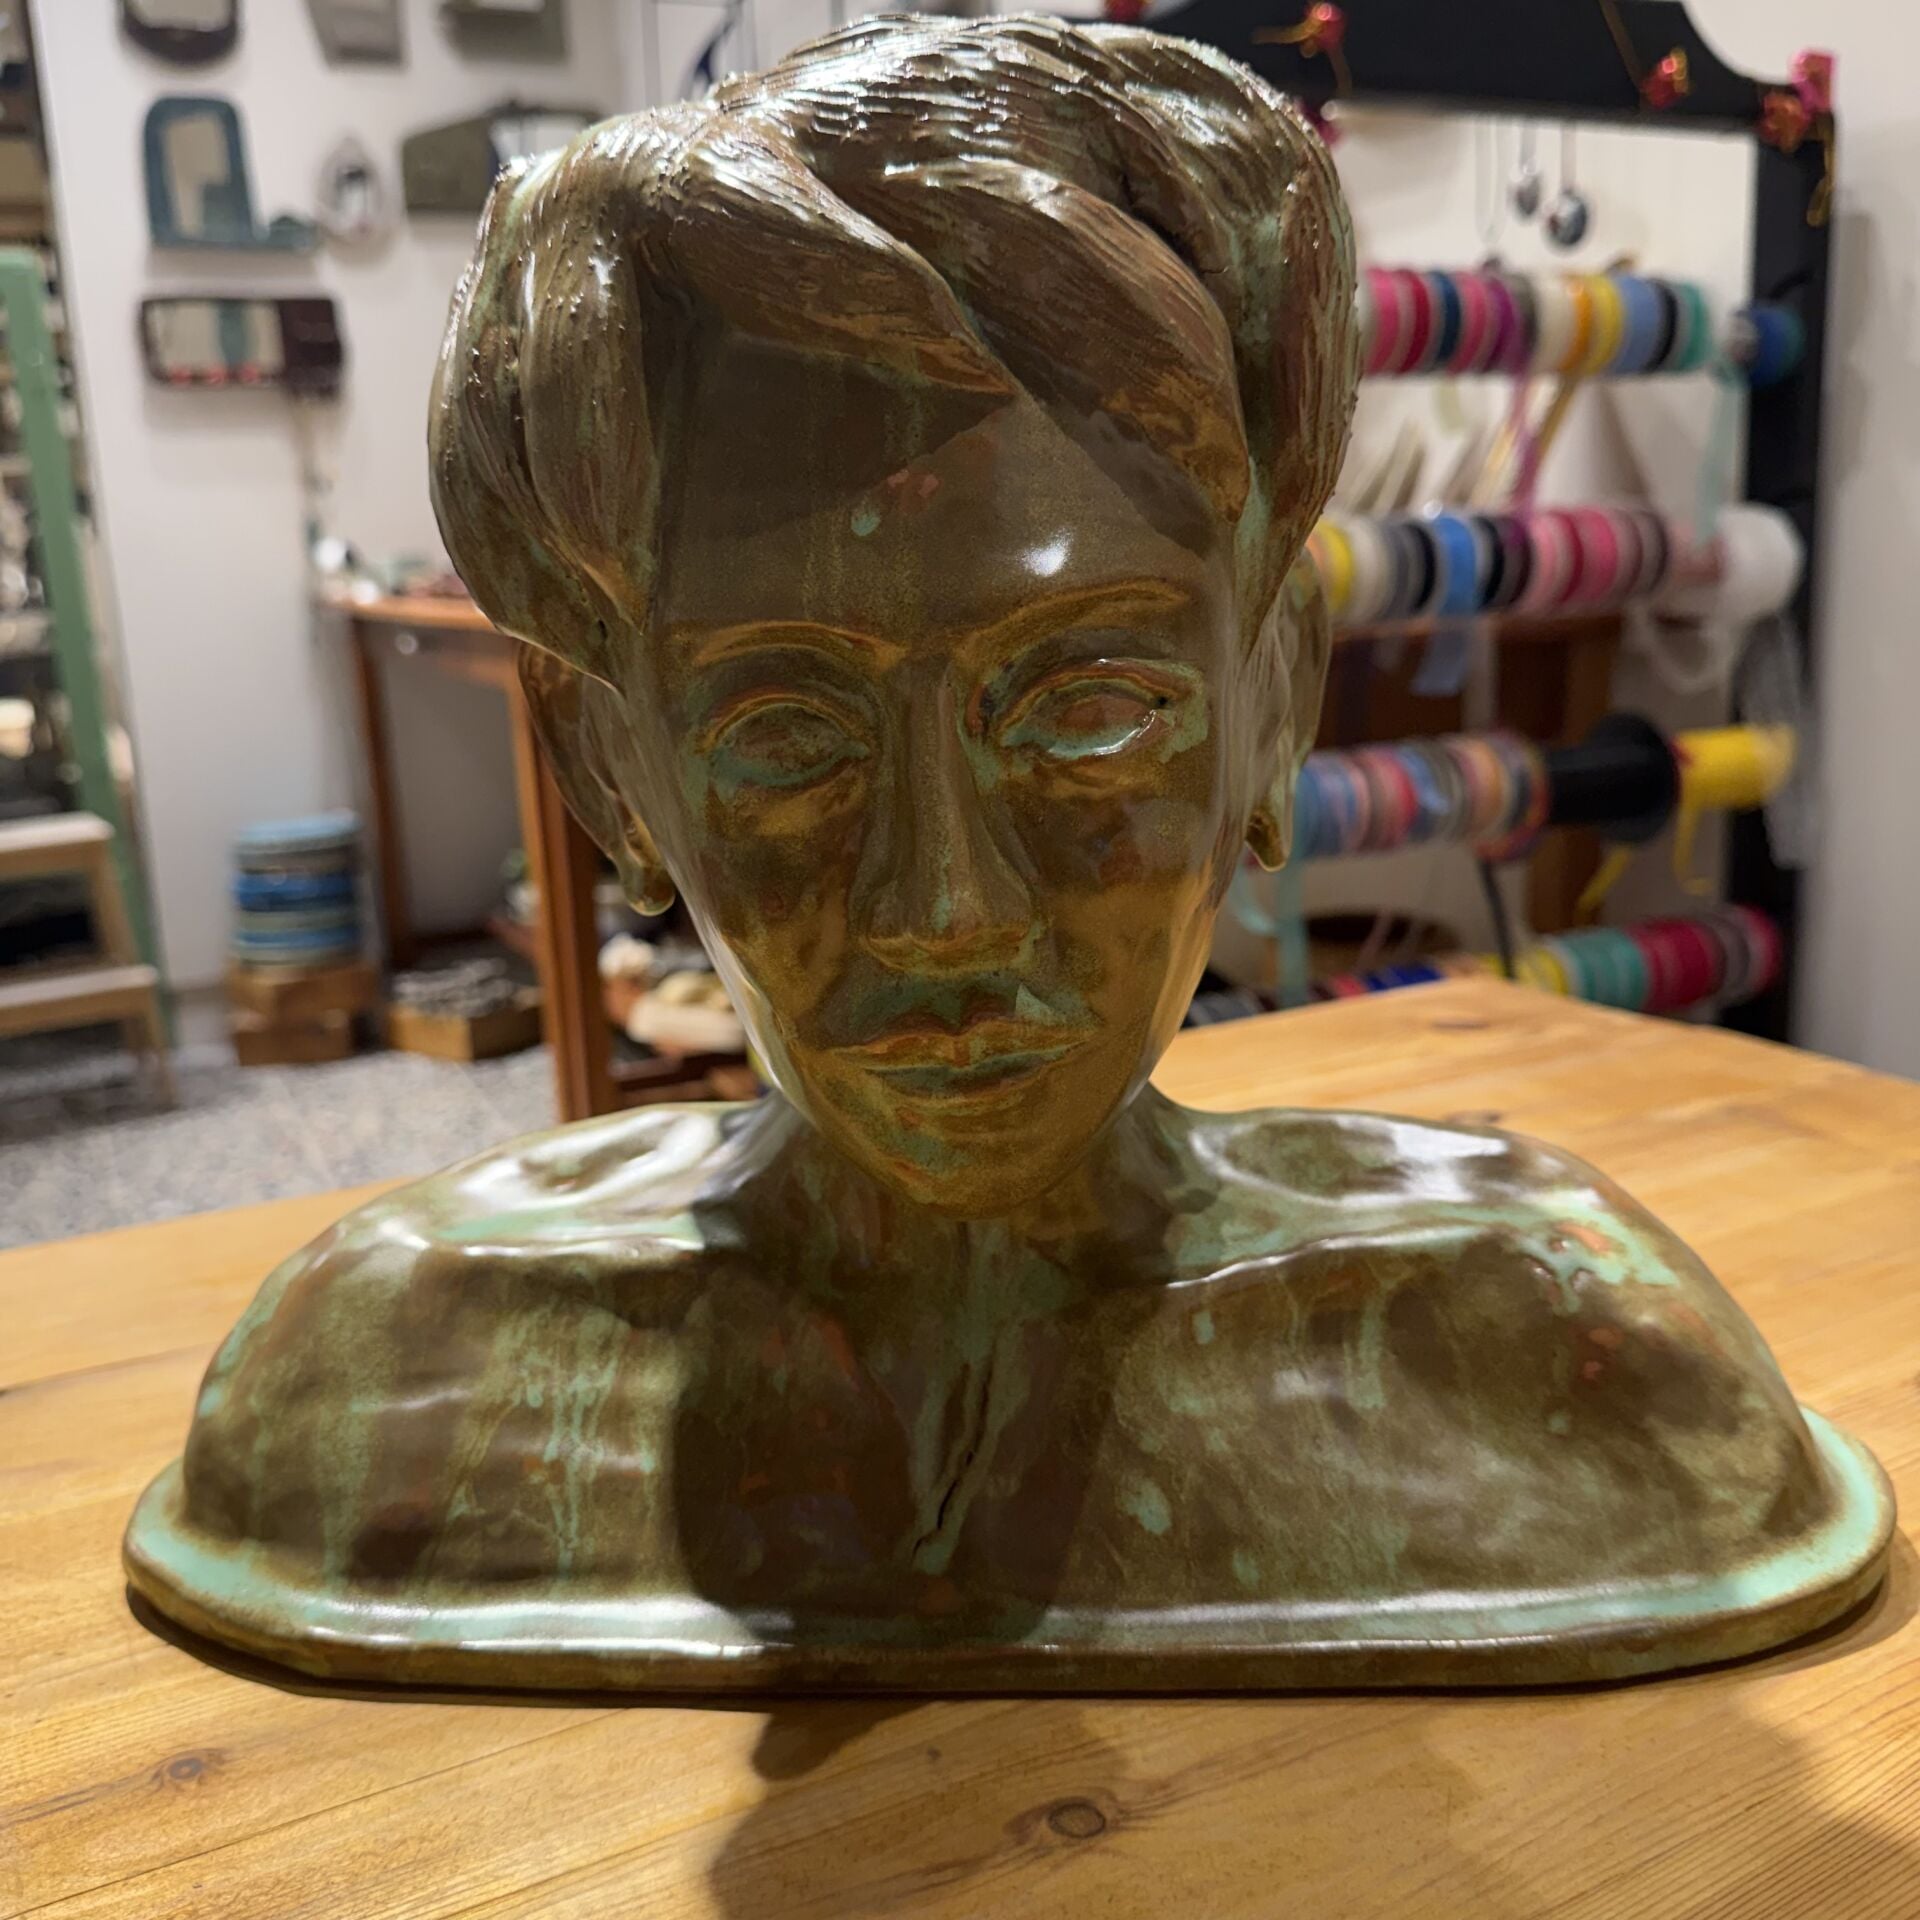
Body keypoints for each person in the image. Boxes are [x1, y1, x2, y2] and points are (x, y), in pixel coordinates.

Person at [126, 16, 1888, 1689]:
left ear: (1273, 703)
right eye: (787, 738)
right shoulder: (399, 1389)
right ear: (613, 776)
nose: (943, 912)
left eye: (1090, 709)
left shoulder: (1550, 1361)